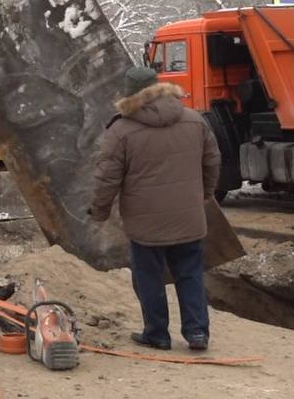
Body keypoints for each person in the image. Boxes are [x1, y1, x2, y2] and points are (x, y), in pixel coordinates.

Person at [89, 67, 221, 352]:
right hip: (188, 217)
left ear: (128, 94)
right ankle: (197, 333)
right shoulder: (194, 120)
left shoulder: (121, 131)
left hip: (145, 224)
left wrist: (99, 211)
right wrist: (206, 194)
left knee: (149, 278)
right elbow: (212, 161)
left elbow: (106, 178)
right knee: (190, 274)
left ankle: (157, 334)